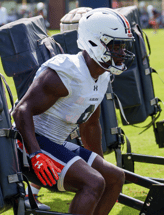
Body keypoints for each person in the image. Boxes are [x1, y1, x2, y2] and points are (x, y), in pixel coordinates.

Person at [13, 8, 133, 215]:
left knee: (114, 177)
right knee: (93, 183)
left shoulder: (102, 76)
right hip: (25, 143)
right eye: (116, 45)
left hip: (54, 142)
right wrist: (35, 153)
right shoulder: (66, 72)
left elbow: (90, 124)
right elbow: (21, 111)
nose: (122, 52)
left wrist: (99, 163)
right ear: (96, 42)